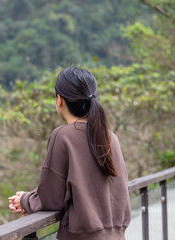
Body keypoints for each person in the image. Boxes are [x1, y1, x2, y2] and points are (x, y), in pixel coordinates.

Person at [8, 67, 131, 240]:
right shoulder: (111, 137)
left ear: (59, 100)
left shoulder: (62, 135)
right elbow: (82, 186)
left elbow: (52, 199)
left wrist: (25, 200)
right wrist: (30, 197)